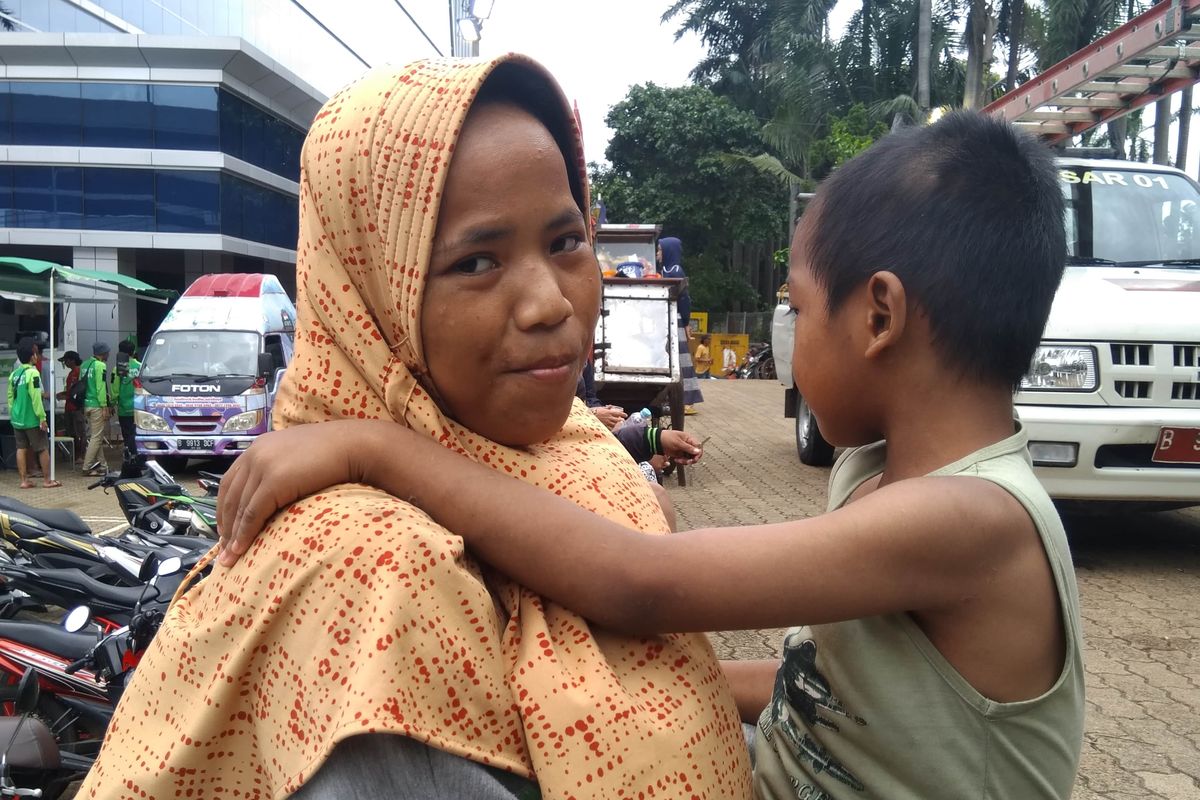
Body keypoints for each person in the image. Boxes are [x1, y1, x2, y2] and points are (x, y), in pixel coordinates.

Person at [220, 112, 1085, 798]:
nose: (549, 302)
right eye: (479, 260)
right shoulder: (879, 468)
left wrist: (379, 449)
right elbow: (814, 688)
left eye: (798, 307)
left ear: (880, 318)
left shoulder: (972, 521)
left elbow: (645, 583)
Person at [78, 56, 750, 800]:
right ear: (371, 293)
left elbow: (670, 676)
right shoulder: (370, 583)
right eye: (477, 261)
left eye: (565, 243)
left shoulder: (571, 448)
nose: (549, 304)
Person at [7, 338, 60, 488]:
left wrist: (14, 412)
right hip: (32, 419)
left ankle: (24, 481)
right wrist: (42, 417)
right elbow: (36, 397)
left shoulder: (15, 374)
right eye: (36, 353)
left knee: (21, 448)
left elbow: (10, 397)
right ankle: (47, 480)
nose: (37, 356)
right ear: (32, 356)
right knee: (42, 448)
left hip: (17, 419)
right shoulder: (33, 373)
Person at [659, 237, 702, 413]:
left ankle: (688, 401)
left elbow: (684, 299)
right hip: (666, 319)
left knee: (681, 359)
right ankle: (673, 398)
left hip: (675, 319)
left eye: (660, 250)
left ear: (669, 251)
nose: (657, 253)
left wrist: (685, 322)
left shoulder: (675, 270)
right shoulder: (662, 269)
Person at [79, 341, 110, 476]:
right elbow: (100, 387)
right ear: (103, 353)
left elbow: (81, 385)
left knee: (95, 436)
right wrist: (104, 406)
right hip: (97, 405)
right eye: (108, 352)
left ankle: (103, 466)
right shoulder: (100, 366)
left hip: (86, 404)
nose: (109, 354)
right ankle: (87, 467)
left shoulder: (84, 365)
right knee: (96, 438)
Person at [109, 340, 140, 462]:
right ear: (133, 352)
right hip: (139, 408)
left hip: (124, 408)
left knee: (127, 434)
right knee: (138, 434)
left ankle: (129, 458)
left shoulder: (118, 368)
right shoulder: (141, 366)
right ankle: (139, 457)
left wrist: (112, 403)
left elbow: (115, 389)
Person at [55, 350, 85, 467]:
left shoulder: (79, 372)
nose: (65, 364)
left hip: (77, 408)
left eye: (66, 361)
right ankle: (75, 455)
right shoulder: (70, 374)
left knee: (80, 433)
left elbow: (78, 391)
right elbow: (70, 391)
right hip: (69, 408)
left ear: (72, 360)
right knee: (71, 433)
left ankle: (81, 456)